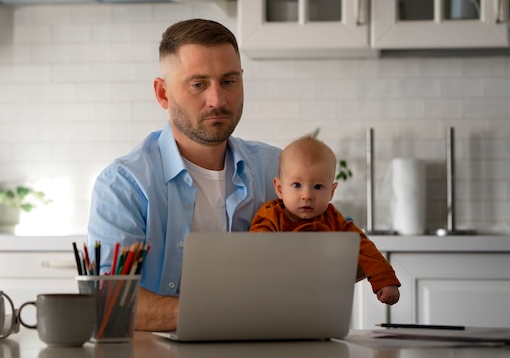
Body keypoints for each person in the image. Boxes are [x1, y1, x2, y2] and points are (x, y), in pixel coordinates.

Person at [87, 19, 281, 331]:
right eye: (198, 84)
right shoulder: (123, 185)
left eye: (229, 82)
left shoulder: (277, 171)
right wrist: (224, 314)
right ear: (163, 94)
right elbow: (109, 299)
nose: (217, 100)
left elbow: (330, 258)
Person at [249, 135, 401, 305]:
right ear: (279, 188)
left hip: (322, 300)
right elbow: (257, 251)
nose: (307, 196)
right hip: (278, 298)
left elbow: (364, 248)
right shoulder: (271, 215)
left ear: (332, 191)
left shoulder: (334, 219)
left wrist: (385, 280)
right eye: (297, 185)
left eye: (318, 187)